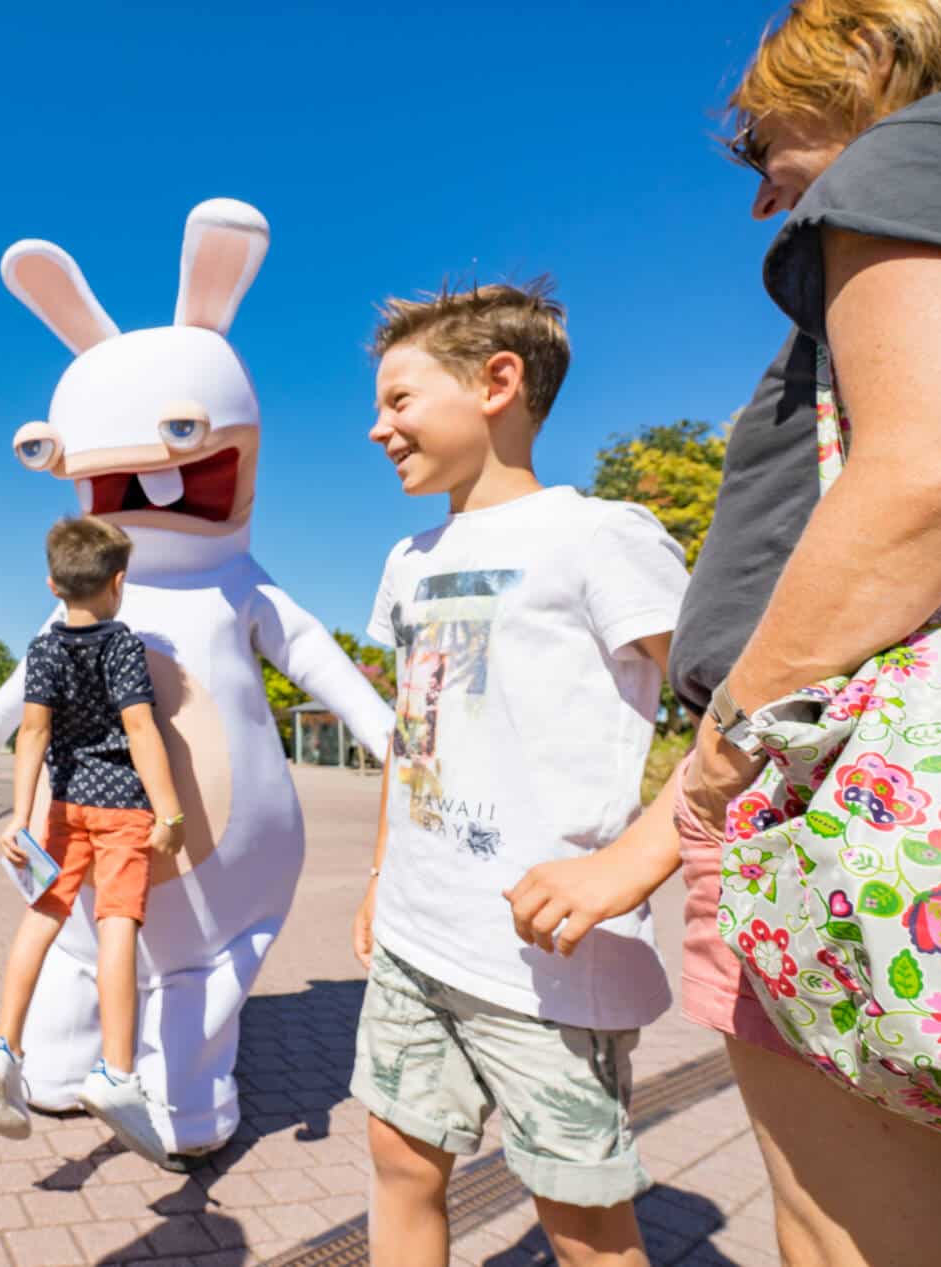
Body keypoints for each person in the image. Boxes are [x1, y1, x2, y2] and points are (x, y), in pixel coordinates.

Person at [508, 4, 941, 1263]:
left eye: (765, 144)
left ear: (869, 64)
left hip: (853, 813)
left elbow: (935, 471)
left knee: (840, 1233)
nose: (760, 194)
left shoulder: (922, 148)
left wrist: (712, 773)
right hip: (886, 798)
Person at [352, 282, 688, 1267]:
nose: (377, 428)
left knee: (579, 1223)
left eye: (399, 400)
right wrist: (380, 874)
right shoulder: (406, 559)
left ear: (497, 382)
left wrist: (634, 861)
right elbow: (412, 731)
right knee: (398, 1160)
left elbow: (738, 705)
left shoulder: (600, 534)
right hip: (416, 937)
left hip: (549, 959)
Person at [0, 516, 187, 1166]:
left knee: (41, 917)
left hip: (61, 807)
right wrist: (170, 808)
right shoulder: (121, 643)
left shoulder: (44, 649)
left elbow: (31, 733)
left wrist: (19, 815)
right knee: (117, 923)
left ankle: (4, 1047)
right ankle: (116, 1072)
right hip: (122, 805)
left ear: (51, 582)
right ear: (117, 582)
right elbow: (141, 728)